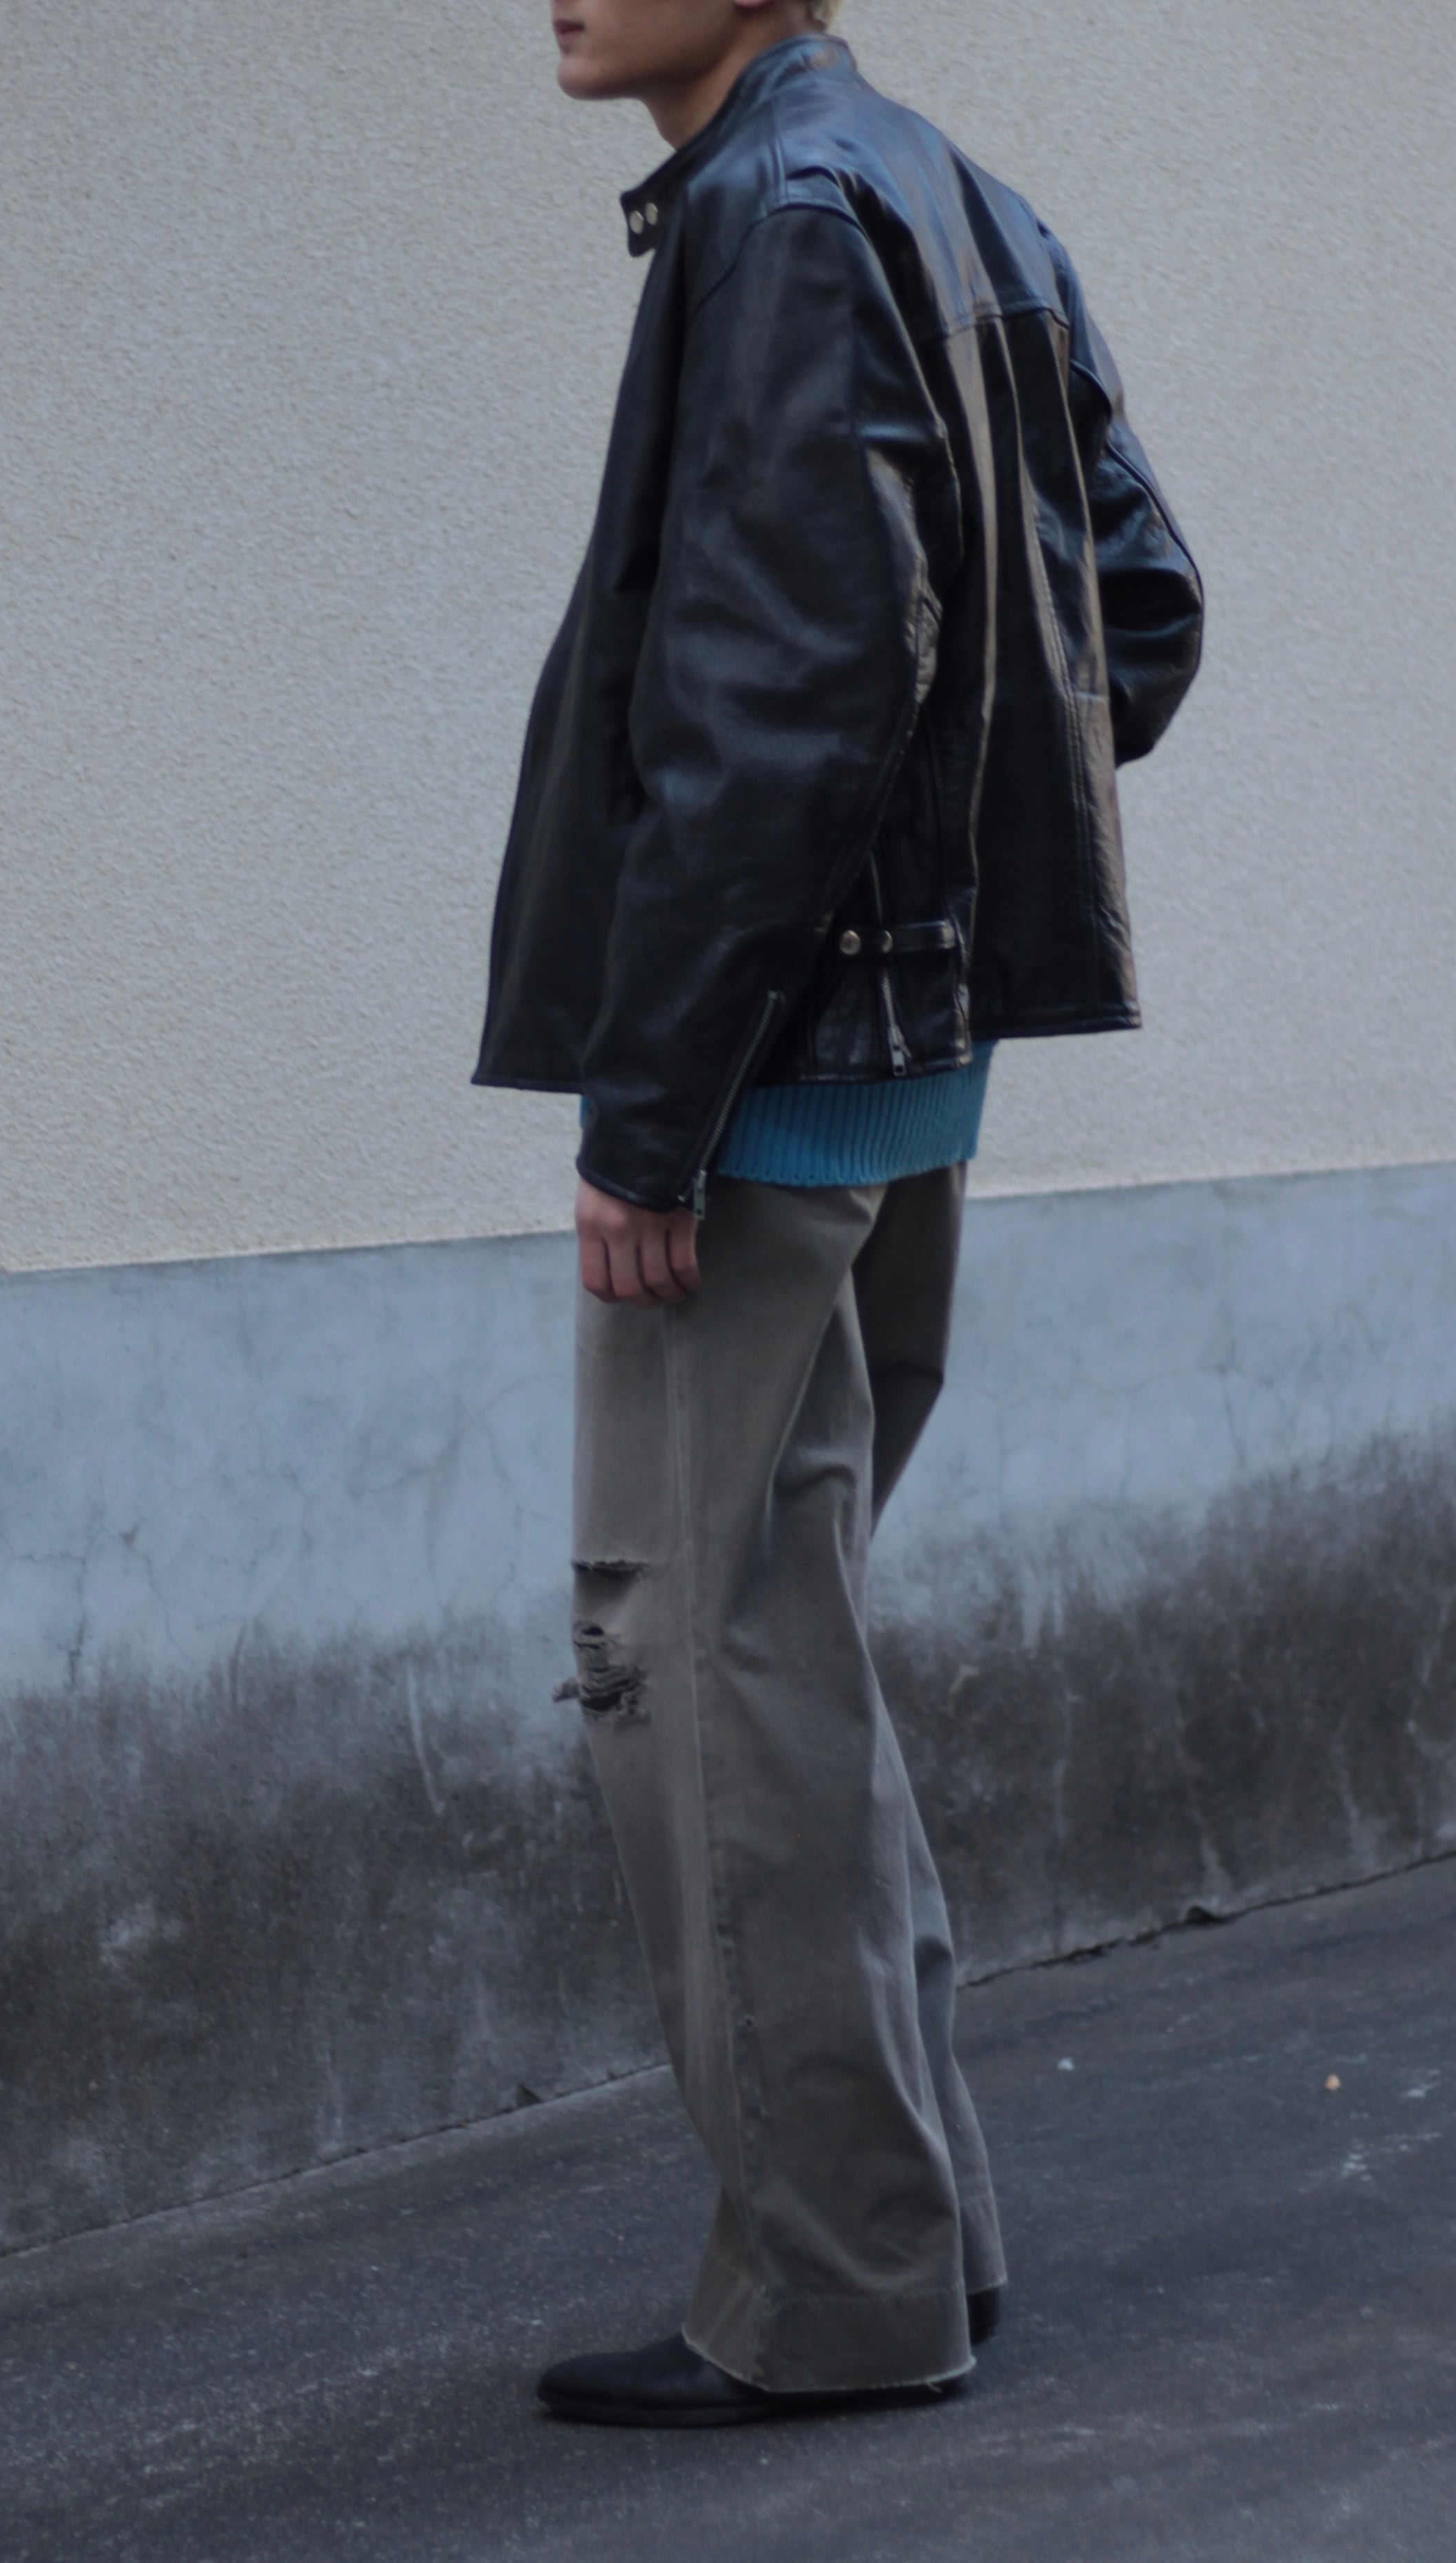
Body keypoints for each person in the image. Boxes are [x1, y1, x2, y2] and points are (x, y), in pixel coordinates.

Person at [474, 0, 1203, 2427]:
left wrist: (652, 1112)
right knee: (795, 1665)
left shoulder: (786, 212)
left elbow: (794, 692)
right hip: (900, 1078)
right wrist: (939, 892)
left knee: (696, 1683)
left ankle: (834, 2292)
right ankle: (919, 2235)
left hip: (764, 1095)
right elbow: (1134, 609)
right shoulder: (949, 194)